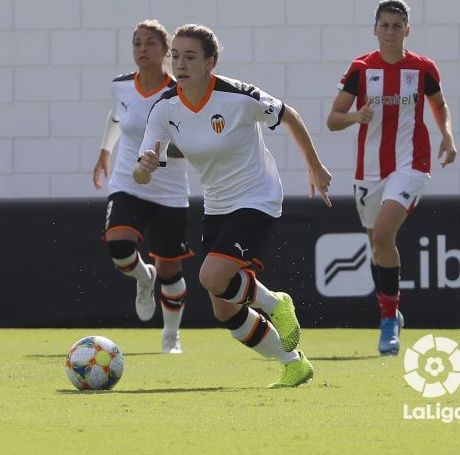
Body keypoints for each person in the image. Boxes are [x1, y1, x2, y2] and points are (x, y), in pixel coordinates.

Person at [134, 24, 332, 388]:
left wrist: (315, 166)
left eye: (190, 57)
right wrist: (144, 166)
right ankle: (293, 364)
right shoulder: (164, 108)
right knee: (223, 308)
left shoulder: (237, 95)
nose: (180, 64)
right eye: (175, 56)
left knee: (211, 277)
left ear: (210, 62)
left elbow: (289, 115)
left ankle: (276, 303)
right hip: (217, 204)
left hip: (258, 196)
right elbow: (143, 171)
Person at [326, 0, 456, 356]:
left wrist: (446, 133)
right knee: (377, 245)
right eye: (384, 25)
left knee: (384, 234)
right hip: (369, 170)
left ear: (407, 30)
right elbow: (333, 118)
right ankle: (391, 312)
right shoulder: (361, 69)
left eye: (397, 26)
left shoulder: (423, 69)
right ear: (375, 29)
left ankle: (386, 323)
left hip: (411, 163)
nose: (390, 32)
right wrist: (356, 117)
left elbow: (439, 105)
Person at [93, 19, 192, 354]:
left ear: (166, 51)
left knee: (170, 268)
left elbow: (192, 142)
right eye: (137, 43)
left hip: (169, 190)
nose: (142, 49)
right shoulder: (121, 86)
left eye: (150, 43)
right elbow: (118, 116)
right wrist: (105, 151)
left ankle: (170, 335)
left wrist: (159, 153)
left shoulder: (180, 91)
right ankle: (142, 278)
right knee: (119, 247)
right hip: (127, 182)